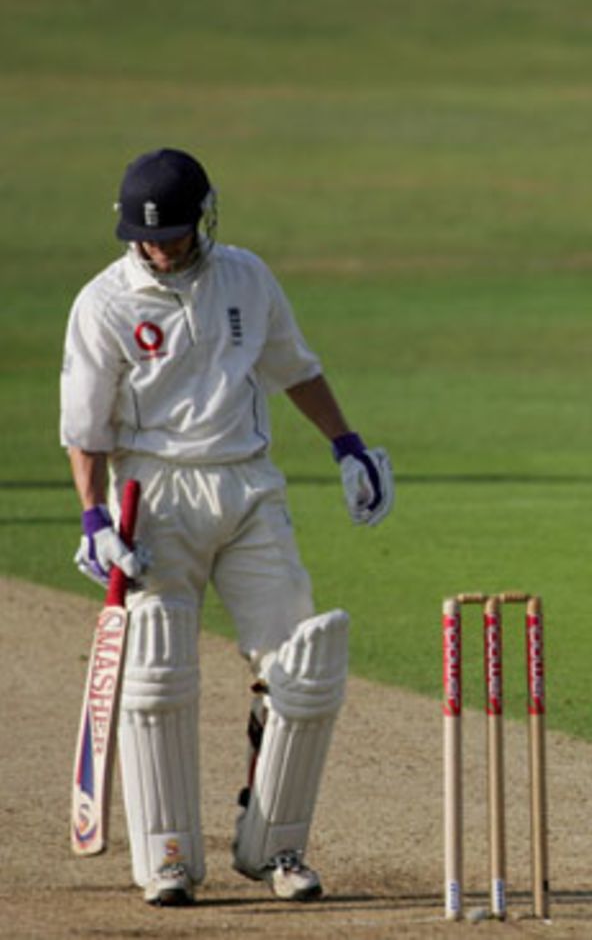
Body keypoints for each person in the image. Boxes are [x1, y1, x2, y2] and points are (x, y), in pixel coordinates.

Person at [60, 148, 395, 904]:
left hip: (248, 485)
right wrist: (93, 515)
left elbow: (294, 368)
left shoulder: (246, 275)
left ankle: (276, 843)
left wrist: (347, 446)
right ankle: (168, 855)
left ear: (205, 218)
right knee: (158, 671)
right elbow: (83, 426)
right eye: (150, 237)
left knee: (297, 664)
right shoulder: (103, 303)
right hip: (154, 495)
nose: (163, 248)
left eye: (175, 234)